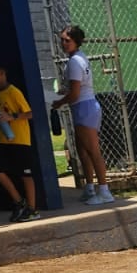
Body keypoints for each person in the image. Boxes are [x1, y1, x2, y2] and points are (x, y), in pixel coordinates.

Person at [52, 25, 114, 205]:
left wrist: (59, 102)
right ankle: (89, 188)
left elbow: (75, 93)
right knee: (82, 150)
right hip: (82, 108)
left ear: (76, 41)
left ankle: (104, 191)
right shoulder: (78, 58)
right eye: (62, 40)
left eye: (67, 40)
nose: (63, 43)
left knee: (93, 151)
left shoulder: (75, 61)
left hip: (84, 108)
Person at [0, 62, 36, 222]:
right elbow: (0, 113)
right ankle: (18, 201)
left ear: (2, 73)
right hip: (3, 138)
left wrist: (13, 117)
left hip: (19, 139)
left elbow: (29, 113)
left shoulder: (14, 92)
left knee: (26, 174)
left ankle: (32, 208)